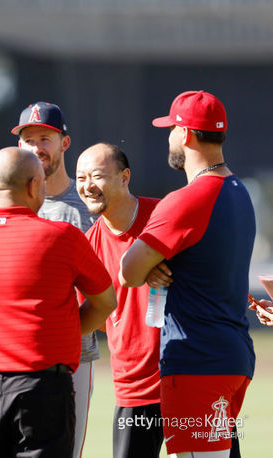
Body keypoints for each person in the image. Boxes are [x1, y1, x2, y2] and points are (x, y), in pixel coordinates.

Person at [0, 146, 117, 457]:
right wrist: (62, 329)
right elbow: (105, 302)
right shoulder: (63, 237)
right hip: (43, 388)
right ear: (35, 186)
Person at [119, 90, 255, 458]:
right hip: (232, 356)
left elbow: (129, 271)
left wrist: (149, 269)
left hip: (198, 363)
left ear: (185, 134)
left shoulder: (187, 198)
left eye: (171, 127)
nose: (168, 135)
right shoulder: (239, 191)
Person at [0, 101, 99, 458]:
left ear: (65, 143)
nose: (36, 147)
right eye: (28, 139)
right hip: (6, 356)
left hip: (72, 355)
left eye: (45, 138)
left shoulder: (86, 206)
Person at [75, 143, 163, 458]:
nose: (87, 186)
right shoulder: (89, 245)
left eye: (97, 176)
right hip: (134, 387)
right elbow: (90, 317)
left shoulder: (164, 216)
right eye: (81, 178)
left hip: (189, 375)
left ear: (125, 177)